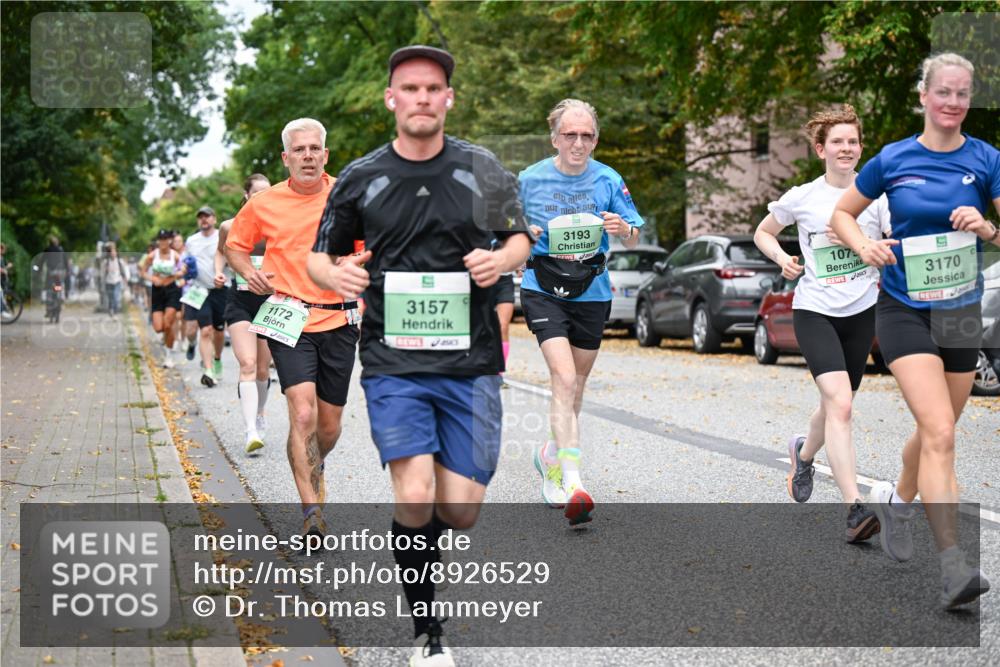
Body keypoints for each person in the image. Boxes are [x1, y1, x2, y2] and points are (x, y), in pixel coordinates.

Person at [308, 45, 532, 667]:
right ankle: (428, 636)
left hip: (471, 362)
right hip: (392, 360)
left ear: (448, 98)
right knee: (412, 492)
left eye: (433, 89)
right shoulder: (361, 175)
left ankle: (429, 543)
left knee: (458, 509)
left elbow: (519, 237)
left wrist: (500, 259)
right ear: (392, 99)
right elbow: (317, 256)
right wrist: (338, 275)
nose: (422, 98)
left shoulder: (482, 169)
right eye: (410, 89)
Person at [831, 52, 998, 609]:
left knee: (939, 427)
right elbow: (842, 215)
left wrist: (987, 227)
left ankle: (898, 502)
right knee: (941, 433)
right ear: (923, 96)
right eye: (942, 92)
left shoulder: (988, 160)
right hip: (903, 308)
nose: (952, 103)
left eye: (962, 94)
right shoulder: (894, 158)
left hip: (960, 309)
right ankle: (953, 567)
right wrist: (865, 246)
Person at [753, 105, 891, 542]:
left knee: (836, 403)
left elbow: (896, 245)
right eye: (837, 142)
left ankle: (803, 452)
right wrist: (782, 260)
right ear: (821, 149)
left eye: (853, 141)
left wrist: (860, 239)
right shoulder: (803, 197)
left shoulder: (877, 198)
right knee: (842, 404)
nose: (846, 148)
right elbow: (763, 231)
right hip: (815, 309)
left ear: (860, 148)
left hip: (861, 309)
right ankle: (854, 508)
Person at [227, 118, 361, 538]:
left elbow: (368, 248)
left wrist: (353, 265)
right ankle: (311, 513)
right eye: (299, 150)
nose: (307, 155)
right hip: (290, 318)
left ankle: (314, 463)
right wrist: (249, 271)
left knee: (328, 425)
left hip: (340, 317)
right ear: (286, 158)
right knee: (302, 410)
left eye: (314, 149)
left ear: (325, 153)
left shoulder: (347, 195)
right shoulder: (265, 202)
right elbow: (235, 244)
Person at [519, 99, 644, 525]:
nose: (578, 142)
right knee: (565, 377)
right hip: (542, 288)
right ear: (555, 138)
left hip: (592, 290)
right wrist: (523, 233)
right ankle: (572, 480)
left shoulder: (609, 179)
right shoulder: (530, 179)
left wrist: (622, 228)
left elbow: (633, 235)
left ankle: (552, 454)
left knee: (577, 387)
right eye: (570, 134)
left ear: (595, 139)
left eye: (586, 135)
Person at [216, 173, 273, 453]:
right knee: (248, 363)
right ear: (246, 195)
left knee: (263, 368)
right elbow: (221, 252)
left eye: (268, 192)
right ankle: (250, 430)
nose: (262, 197)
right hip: (239, 300)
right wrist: (218, 271)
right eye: (257, 193)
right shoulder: (229, 226)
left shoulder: (279, 226)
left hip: (270, 302)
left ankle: (260, 412)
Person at [183, 207, 228, 387]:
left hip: (221, 290)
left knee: (218, 331)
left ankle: (217, 358)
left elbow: (231, 258)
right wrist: (186, 271)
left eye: (207, 216)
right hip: (200, 290)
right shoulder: (191, 241)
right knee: (206, 330)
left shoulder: (222, 236)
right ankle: (208, 370)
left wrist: (223, 275)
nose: (204, 220)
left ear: (214, 219)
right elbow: (187, 263)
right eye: (200, 217)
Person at [139, 230, 183, 367]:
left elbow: (183, 270)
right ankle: (168, 338)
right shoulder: (152, 256)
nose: (163, 242)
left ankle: (168, 356)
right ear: (158, 241)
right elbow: (142, 271)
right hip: (157, 291)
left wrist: (175, 275)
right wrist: (152, 278)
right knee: (159, 327)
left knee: (168, 323)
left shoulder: (175, 256)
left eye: (166, 239)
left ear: (170, 240)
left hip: (172, 290)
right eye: (161, 239)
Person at [100, 242, 130, 319]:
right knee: (110, 298)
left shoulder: (120, 262)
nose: (113, 253)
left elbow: (123, 272)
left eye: (115, 252)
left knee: (116, 297)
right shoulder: (105, 262)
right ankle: (111, 310)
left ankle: (115, 312)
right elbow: (102, 273)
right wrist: (102, 282)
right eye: (112, 252)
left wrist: (125, 280)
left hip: (117, 281)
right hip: (108, 282)